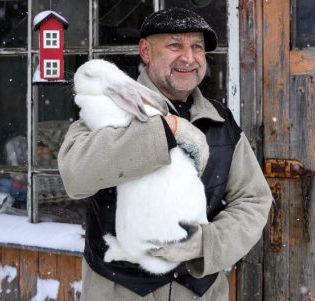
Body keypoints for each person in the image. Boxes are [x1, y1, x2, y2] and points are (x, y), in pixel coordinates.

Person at [58, 7, 272, 301]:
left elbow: (253, 200)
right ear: (145, 51)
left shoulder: (221, 121)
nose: (188, 57)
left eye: (196, 47)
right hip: (119, 291)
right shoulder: (108, 108)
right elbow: (75, 174)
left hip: (201, 293)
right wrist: (166, 131)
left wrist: (204, 244)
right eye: (175, 45)